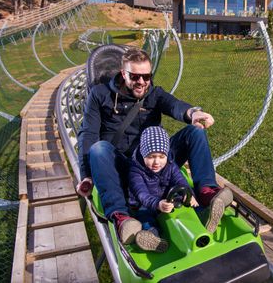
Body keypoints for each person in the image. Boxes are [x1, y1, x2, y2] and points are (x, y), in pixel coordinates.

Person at [76, 47, 232, 245]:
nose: (141, 82)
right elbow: (87, 135)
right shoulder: (100, 95)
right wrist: (86, 175)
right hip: (122, 165)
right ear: (123, 74)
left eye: (146, 76)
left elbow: (174, 105)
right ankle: (121, 217)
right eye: (135, 76)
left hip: (154, 161)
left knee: (195, 132)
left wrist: (192, 113)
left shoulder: (153, 94)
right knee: (99, 149)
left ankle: (206, 193)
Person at [129, 126, 233, 251]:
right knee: (144, 216)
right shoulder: (135, 172)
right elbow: (141, 194)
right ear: (143, 153)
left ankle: (205, 216)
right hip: (148, 203)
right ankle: (153, 237)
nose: (157, 162)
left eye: (161, 156)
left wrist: (189, 194)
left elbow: (180, 179)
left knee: (191, 204)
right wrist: (157, 204)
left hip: (169, 197)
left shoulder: (170, 164)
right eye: (151, 157)